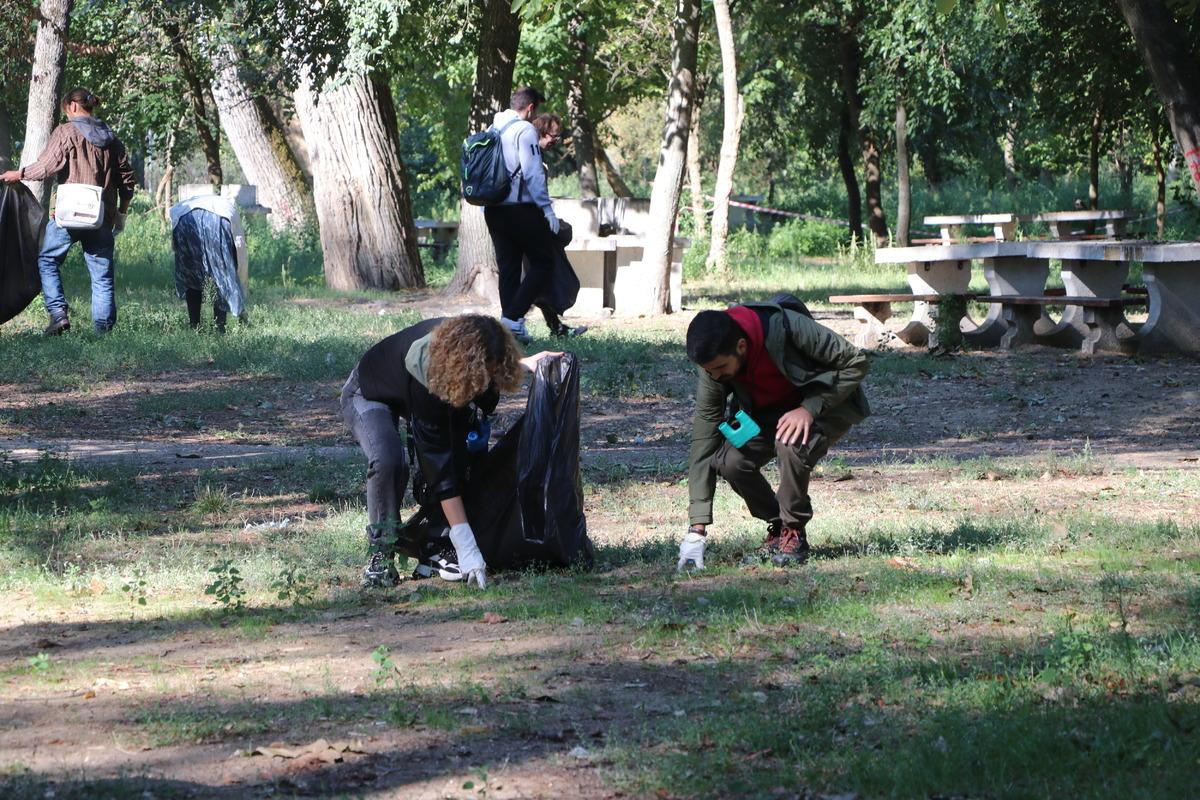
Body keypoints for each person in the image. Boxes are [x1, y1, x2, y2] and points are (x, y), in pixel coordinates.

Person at [341, 314, 558, 589]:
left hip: (418, 388)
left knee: (460, 458)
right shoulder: (429, 369)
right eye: (484, 374)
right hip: (369, 392)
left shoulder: (474, 349)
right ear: (464, 367)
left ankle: (434, 550)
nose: (487, 381)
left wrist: (520, 363)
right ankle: (380, 555)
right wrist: (466, 542)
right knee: (389, 460)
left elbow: (451, 458)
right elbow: (437, 462)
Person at [680, 298, 870, 571]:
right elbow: (705, 432)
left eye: (720, 368)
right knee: (729, 461)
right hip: (766, 415)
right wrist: (696, 529)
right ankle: (779, 526)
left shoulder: (788, 327)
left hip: (823, 405)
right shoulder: (714, 361)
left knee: (790, 442)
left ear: (741, 347)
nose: (715, 376)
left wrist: (809, 408)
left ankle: (794, 530)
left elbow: (856, 362)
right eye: (710, 371)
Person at [0, 88, 136, 335]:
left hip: (67, 216)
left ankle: (59, 314)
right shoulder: (112, 139)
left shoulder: (66, 132)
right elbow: (127, 181)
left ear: (73, 106)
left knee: (47, 260)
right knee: (102, 276)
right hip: (101, 217)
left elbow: (46, 167)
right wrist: (120, 214)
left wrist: (19, 174)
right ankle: (104, 334)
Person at [482, 87, 559, 343]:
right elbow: (533, 171)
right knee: (543, 262)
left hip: (493, 210)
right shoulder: (525, 130)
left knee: (509, 268)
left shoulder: (493, 129)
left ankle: (509, 331)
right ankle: (512, 318)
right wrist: (547, 209)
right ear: (531, 108)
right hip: (519, 209)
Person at [529, 113, 586, 338]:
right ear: (542, 133)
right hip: (526, 226)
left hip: (534, 225)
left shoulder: (536, 156)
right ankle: (514, 326)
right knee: (536, 281)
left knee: (543, 280)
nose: (556, 141)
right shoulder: (529, 155)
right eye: (555, 136)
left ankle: (556, 327)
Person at [168, 193, 249, 332]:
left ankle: (195, 325)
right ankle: (220, 327)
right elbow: (240, 256)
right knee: (222, 276)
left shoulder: (225, 208)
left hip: (185, 219)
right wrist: (241, 291)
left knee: (191, 275)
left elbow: (175, 247)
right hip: (217, 220)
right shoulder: (231, 211)